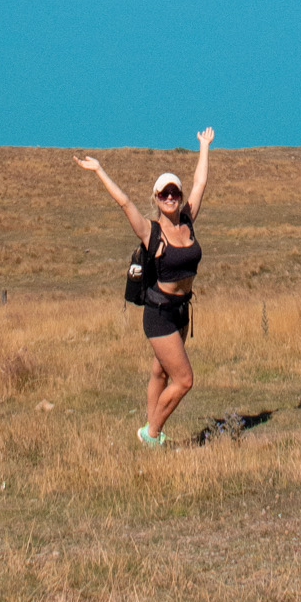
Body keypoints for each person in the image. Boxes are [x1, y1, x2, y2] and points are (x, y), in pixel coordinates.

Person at [76, 129, 214, 447]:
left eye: (174, 193)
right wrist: (99, 170)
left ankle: (149, 435)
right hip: (160, 314)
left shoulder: (187, 221)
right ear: (156, 198)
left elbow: (201, 184)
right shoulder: (151, 233)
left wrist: (204, 147)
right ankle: (151, 434)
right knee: (184, 379)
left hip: (181, 311)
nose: (170, 197)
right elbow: (124, 202)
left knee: (160, 373)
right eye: (163, 194)